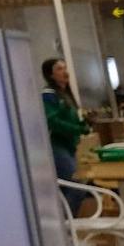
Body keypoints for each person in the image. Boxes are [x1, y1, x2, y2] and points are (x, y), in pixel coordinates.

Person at [45, 57, 89, 192]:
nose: (65, 72)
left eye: (65, 68)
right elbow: (52, 121)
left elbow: (70, 117)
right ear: (51, 75)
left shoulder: (66, 95)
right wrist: (78, 129)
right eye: (59, 69)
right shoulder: (48, 95)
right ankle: (66, 214)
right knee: (76, 187)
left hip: (70, 146)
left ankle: (69, 212)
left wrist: (84, 123)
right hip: (57, 145)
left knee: (73, 187)